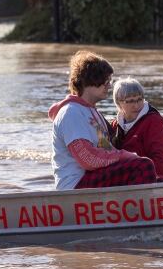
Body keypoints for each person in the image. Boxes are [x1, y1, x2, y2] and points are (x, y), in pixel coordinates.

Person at [48, 50, 157, 190]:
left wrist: (130, 157)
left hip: (92, 177)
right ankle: (143, 210)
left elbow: (106, 148)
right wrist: (125, 156)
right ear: (90, 80)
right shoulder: (71, 113)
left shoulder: (93, 113)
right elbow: (88, 159)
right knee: (143, 167)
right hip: (75, 185)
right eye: (106, 81)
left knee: (150, 170)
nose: (109, 86)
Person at [110, 77, 163, 181]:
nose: (136, 105)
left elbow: (161, 159)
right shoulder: (114, 125)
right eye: (130, 101)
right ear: (119, 103)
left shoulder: (154, 122)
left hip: (153, 181)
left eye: (139, 99)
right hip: (125, 180)